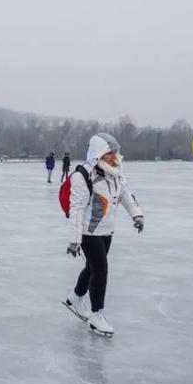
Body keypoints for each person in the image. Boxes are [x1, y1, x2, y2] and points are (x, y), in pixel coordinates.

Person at [62, 133, 143, 338]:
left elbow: (125, 194)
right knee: (101, 270)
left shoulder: (115, 172)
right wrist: (74, 240)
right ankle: (97, 315)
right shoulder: (84, 175)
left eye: (114, 152)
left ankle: (75, 298)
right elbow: (77, 208)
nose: (113, 156)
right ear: (98, 153)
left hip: (107, 231)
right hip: (89, 232)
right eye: (108, 152)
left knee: (92, 267)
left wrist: (137, 215)